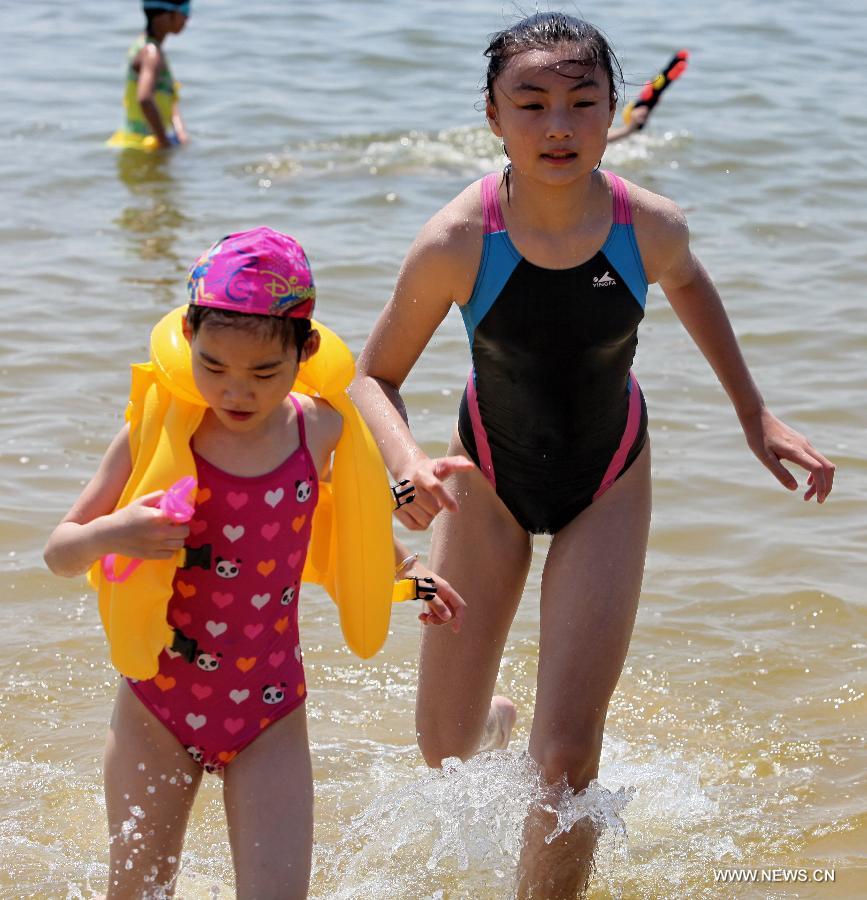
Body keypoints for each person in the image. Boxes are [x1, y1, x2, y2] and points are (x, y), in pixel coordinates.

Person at [350, 13, 835, 898]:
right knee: (445, 748)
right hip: (486, 484)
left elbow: (689, 284)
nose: (558, 125)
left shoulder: (647, 226)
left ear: (614, 110)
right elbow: (371, 377)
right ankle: (493, 725)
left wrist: (753, 411)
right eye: (529, 104)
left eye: (582, 102)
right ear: (493, 117)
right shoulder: (460, 240)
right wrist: (404, 466)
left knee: (568, 754)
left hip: (608, 477)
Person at [44, 227, 465, 898]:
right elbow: (59, 552)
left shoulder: (319, 430)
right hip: (158, 701)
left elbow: (345, 515)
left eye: (263, 373)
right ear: (187, 339)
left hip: (269, 708)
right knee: (136, 891)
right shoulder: (159, 427)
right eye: (213, 367)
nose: (236, 391)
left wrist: (406, 570)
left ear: (304, 351)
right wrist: (114, 532)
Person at [108, 0, 191, 152]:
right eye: (184, 11)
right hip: (142, 145)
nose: (187, 18)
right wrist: (164, 142)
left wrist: (180, 131)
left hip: (137, 140)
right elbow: (145, 99)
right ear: (164, 17)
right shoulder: (151, 53)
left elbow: (168, 96)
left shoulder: (146, 46)